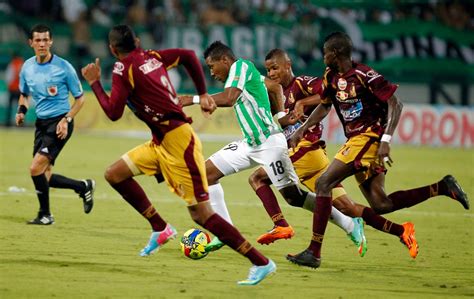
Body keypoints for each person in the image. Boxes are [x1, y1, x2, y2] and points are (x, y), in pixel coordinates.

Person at [81, 25, 275, 286]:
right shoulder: (152, 56)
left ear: (112, 50)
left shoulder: (122, 69)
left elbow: (114, 113)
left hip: (179, 143)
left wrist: (94, 82)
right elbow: (188, 55)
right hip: (160, 141)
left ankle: (261, 263)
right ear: (136, 41)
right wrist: (203, 93)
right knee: (114, 174)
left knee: (202, 216)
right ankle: (161, 228)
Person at [287, 31, 470, 268]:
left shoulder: (365, 75)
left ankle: (314, 251)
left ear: (336, 53)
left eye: (325, 53)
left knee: (324, 184)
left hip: (369, 137)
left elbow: (395, 103)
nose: (322, 57)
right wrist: (304, 128)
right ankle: (443, 187)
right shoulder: (331, 76)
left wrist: (386, 139)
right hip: (355, 140)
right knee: (381, 204)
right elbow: (325, 105)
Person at [180, 40, 364, 254]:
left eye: (212, 66)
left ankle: (350, 224)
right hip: (249, 144)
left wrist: (192, 99)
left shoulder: (241, 67)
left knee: (293, 197)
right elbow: (274, 86)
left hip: (270, 144)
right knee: (205, 174)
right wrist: (280, 116)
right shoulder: (244, 74)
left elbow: (230, 99)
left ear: (225, 60)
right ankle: (225, 231)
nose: (211, 73)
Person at [250, 48, 432, 259]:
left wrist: (302, 103)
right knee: (346, 206)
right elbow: (285, 121)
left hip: (306, 149)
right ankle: (402, 231)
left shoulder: (301, 83)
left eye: (275, 68)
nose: (271, 73)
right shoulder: (279, 94)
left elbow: (325, 94)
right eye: (268, 70)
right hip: (308, 155)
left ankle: (281, 225)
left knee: (257, 178)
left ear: (287, 65)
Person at [15, 24, 95, 225]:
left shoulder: (64, 67)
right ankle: (83, 186)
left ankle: (45, 214)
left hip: (60, 123)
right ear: (31, 43)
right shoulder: (27, 67)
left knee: (35, 169)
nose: (42, 44)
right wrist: (21, 111)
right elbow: (24, 94)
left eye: (45, 40)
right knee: (45, 176)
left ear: (51, 42)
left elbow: (80, 99)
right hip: (41, 124)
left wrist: (66, 120)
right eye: (38, 40)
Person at [5, 51, 24, 127]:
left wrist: (9, 85)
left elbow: (8, 78)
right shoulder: (23, 64)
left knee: (10, 107)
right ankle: (21, 124)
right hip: (20, 89)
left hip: (12, 89)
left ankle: (8, 123)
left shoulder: (12, 64)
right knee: (21, 108)